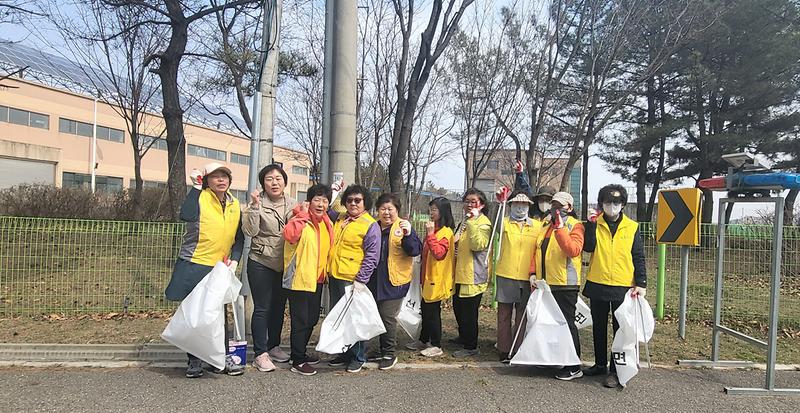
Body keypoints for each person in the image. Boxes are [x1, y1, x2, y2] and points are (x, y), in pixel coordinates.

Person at [164, 162, 244, 378]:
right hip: (196, 263)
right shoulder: (199, 197)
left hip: (221, 267)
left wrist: (235, 259)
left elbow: (239, 237)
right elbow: (187, 215)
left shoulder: (235, 203)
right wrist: (196, 188)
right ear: (207, 180)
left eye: (225, 176)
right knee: (196, 315)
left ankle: (219, 358)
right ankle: (194, 360)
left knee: (218, 316)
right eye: (215, 176)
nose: (221, 180)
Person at [582, 185, 647, 388]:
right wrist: (591, 225)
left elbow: (638, 256)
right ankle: (600, 364)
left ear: (623, 205)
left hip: (623, 285)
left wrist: (641, 283)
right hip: (598, 282)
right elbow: (588, 248)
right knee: (598, 328)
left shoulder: (632, 226)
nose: (612, 206)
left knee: (620, 330)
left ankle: (615, 370)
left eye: (616, 203)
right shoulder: (594, 224)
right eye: (608, 202)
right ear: (601, 204)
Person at [241, 164, 297, 371]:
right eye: (269, 179)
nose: (274, 182)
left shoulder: (293, 204)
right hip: (261, 261)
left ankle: (274, 346)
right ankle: (260, 353)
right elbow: (250, 231)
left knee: (278, 308)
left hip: (284, 263)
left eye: (278, 178)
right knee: (262, 308)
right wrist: (255, 207)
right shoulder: (255, 204)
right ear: (263, 183)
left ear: (284, 182)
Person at [529, 191, 585, 381]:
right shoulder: (545, 225)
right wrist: (532, 273)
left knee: (567, 325)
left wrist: (560, 228)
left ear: (569, 207)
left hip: (565, 284)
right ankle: (553, 359)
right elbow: (537, 251)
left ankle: (574, 365)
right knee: (549, 324)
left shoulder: (574, 225)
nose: (555, 208)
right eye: (553, 204)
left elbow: (573, 250)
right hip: (545, 284)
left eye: (560, 205)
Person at [326, 184, 381, 373]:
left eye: (357, 200)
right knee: (340, 317)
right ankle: (345, 352)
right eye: (349, 200)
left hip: (353, 279)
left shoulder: (370, 224)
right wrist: (333, 192)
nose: (353, 203)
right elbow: (323, 209)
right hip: (335, 275)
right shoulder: (340, 218)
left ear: (365, 202)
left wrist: (361, 279)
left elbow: (372, 255)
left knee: (355, 319)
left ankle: (358, 356)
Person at [282, 184, 334, 376]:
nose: (321, 204)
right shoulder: (299, 220)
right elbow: (289, 235)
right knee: (301, 320)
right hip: (299, 278)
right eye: (317, 200)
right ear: (309, 201)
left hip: (318, 279)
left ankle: (301, 352)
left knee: (311, 319)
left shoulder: (326, 222)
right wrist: (302, 215)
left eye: (325, 200)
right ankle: (297, 360)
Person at [366, 193, 422, 370]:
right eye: (383, 208)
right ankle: (381, 350)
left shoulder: (403, 228)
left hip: (395, 281)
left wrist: (408, 234)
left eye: (390, 209)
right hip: (374, 280)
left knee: (387, 316)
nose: (386, 212)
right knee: (375, 315)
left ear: (397, 210)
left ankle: (389, 353)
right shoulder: (374, 227)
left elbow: (414, 250)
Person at [494, 191, 542, 363]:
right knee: (504, 314)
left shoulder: (537, 226)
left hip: (527, 277)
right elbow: (496, 225)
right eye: (516, 204)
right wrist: (500, 205)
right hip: (506, 274)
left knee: (522, 315)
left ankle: (518, 347)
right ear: (511, 206)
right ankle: (503, 348)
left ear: (529, 206)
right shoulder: (505, 223)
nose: (520, 208)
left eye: (524, 205)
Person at [406, 197, 455, 357]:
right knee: (426, 311)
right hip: (427, 278)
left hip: (437, 279)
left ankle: (436, 344)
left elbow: (439, 253)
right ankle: (423, 339)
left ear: (443, 212)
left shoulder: (445, 232)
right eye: (431, 209)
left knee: (433, 313)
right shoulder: (436, 230)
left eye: (434, 210)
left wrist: (430, 234)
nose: (431, 213)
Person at [452, 189, 492, 358]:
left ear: (481, 205)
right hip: (460, 272)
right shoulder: (465, 221)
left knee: (469, 312)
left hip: (473, 274)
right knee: (458, 308)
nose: (469, 204)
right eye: (467, 201)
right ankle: (463, 337)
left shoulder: (483, 223)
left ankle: (471, 346)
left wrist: (473, 222)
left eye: (473, 201)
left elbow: (478, 245)